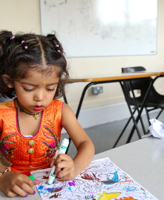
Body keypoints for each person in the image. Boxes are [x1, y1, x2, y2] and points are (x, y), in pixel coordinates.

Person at [0, 30, 95, 198]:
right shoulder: (2, 114)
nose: (40, 98)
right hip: (13, 187)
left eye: (50, 88)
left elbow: (86, 143)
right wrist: (3, 175)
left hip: (50, 184)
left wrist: (75, 166)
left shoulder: (61, 110)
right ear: (9, 81)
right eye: (29, 88)